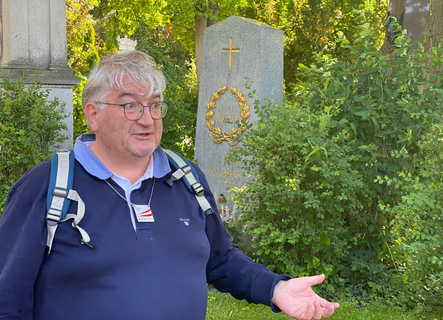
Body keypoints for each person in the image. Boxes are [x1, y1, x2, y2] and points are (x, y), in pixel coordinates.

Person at [0, 51, 339, 320]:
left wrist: (276, 289)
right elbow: (7, 297)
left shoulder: (185, 178)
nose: (147, 119)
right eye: (130, 105)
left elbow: (219, 259)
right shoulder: (48, 186)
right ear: (93, 114)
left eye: (155, 105)